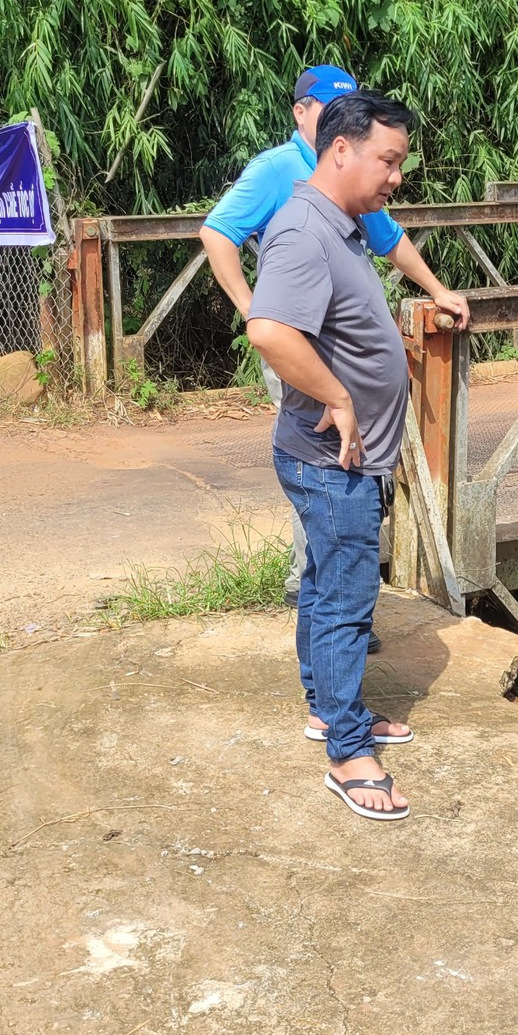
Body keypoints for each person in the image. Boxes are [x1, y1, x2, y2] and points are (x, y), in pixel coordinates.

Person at [199, 65, 469, 649]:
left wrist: (436, 289)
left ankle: (335, 603)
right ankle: (323, 600)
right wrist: (253, 307)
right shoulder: (279, 169)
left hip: (338, 344)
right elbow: (217, 231)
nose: (337, 114)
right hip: (301, 343)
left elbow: (388, 236)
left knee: (343, 473)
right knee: (322, 466)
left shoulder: (357, 168)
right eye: (326, 104)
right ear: (302, 112)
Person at [246, 90, 452, 819]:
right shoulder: (305, 229)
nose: (396, 176)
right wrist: (338, 397)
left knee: (328, 589)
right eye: (387, 160)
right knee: (344, 600)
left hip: (338, 458)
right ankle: (348, 755)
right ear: (341, 150)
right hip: (331, 458)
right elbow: (269, 331)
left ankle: (331, 711)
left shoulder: (343, 222)